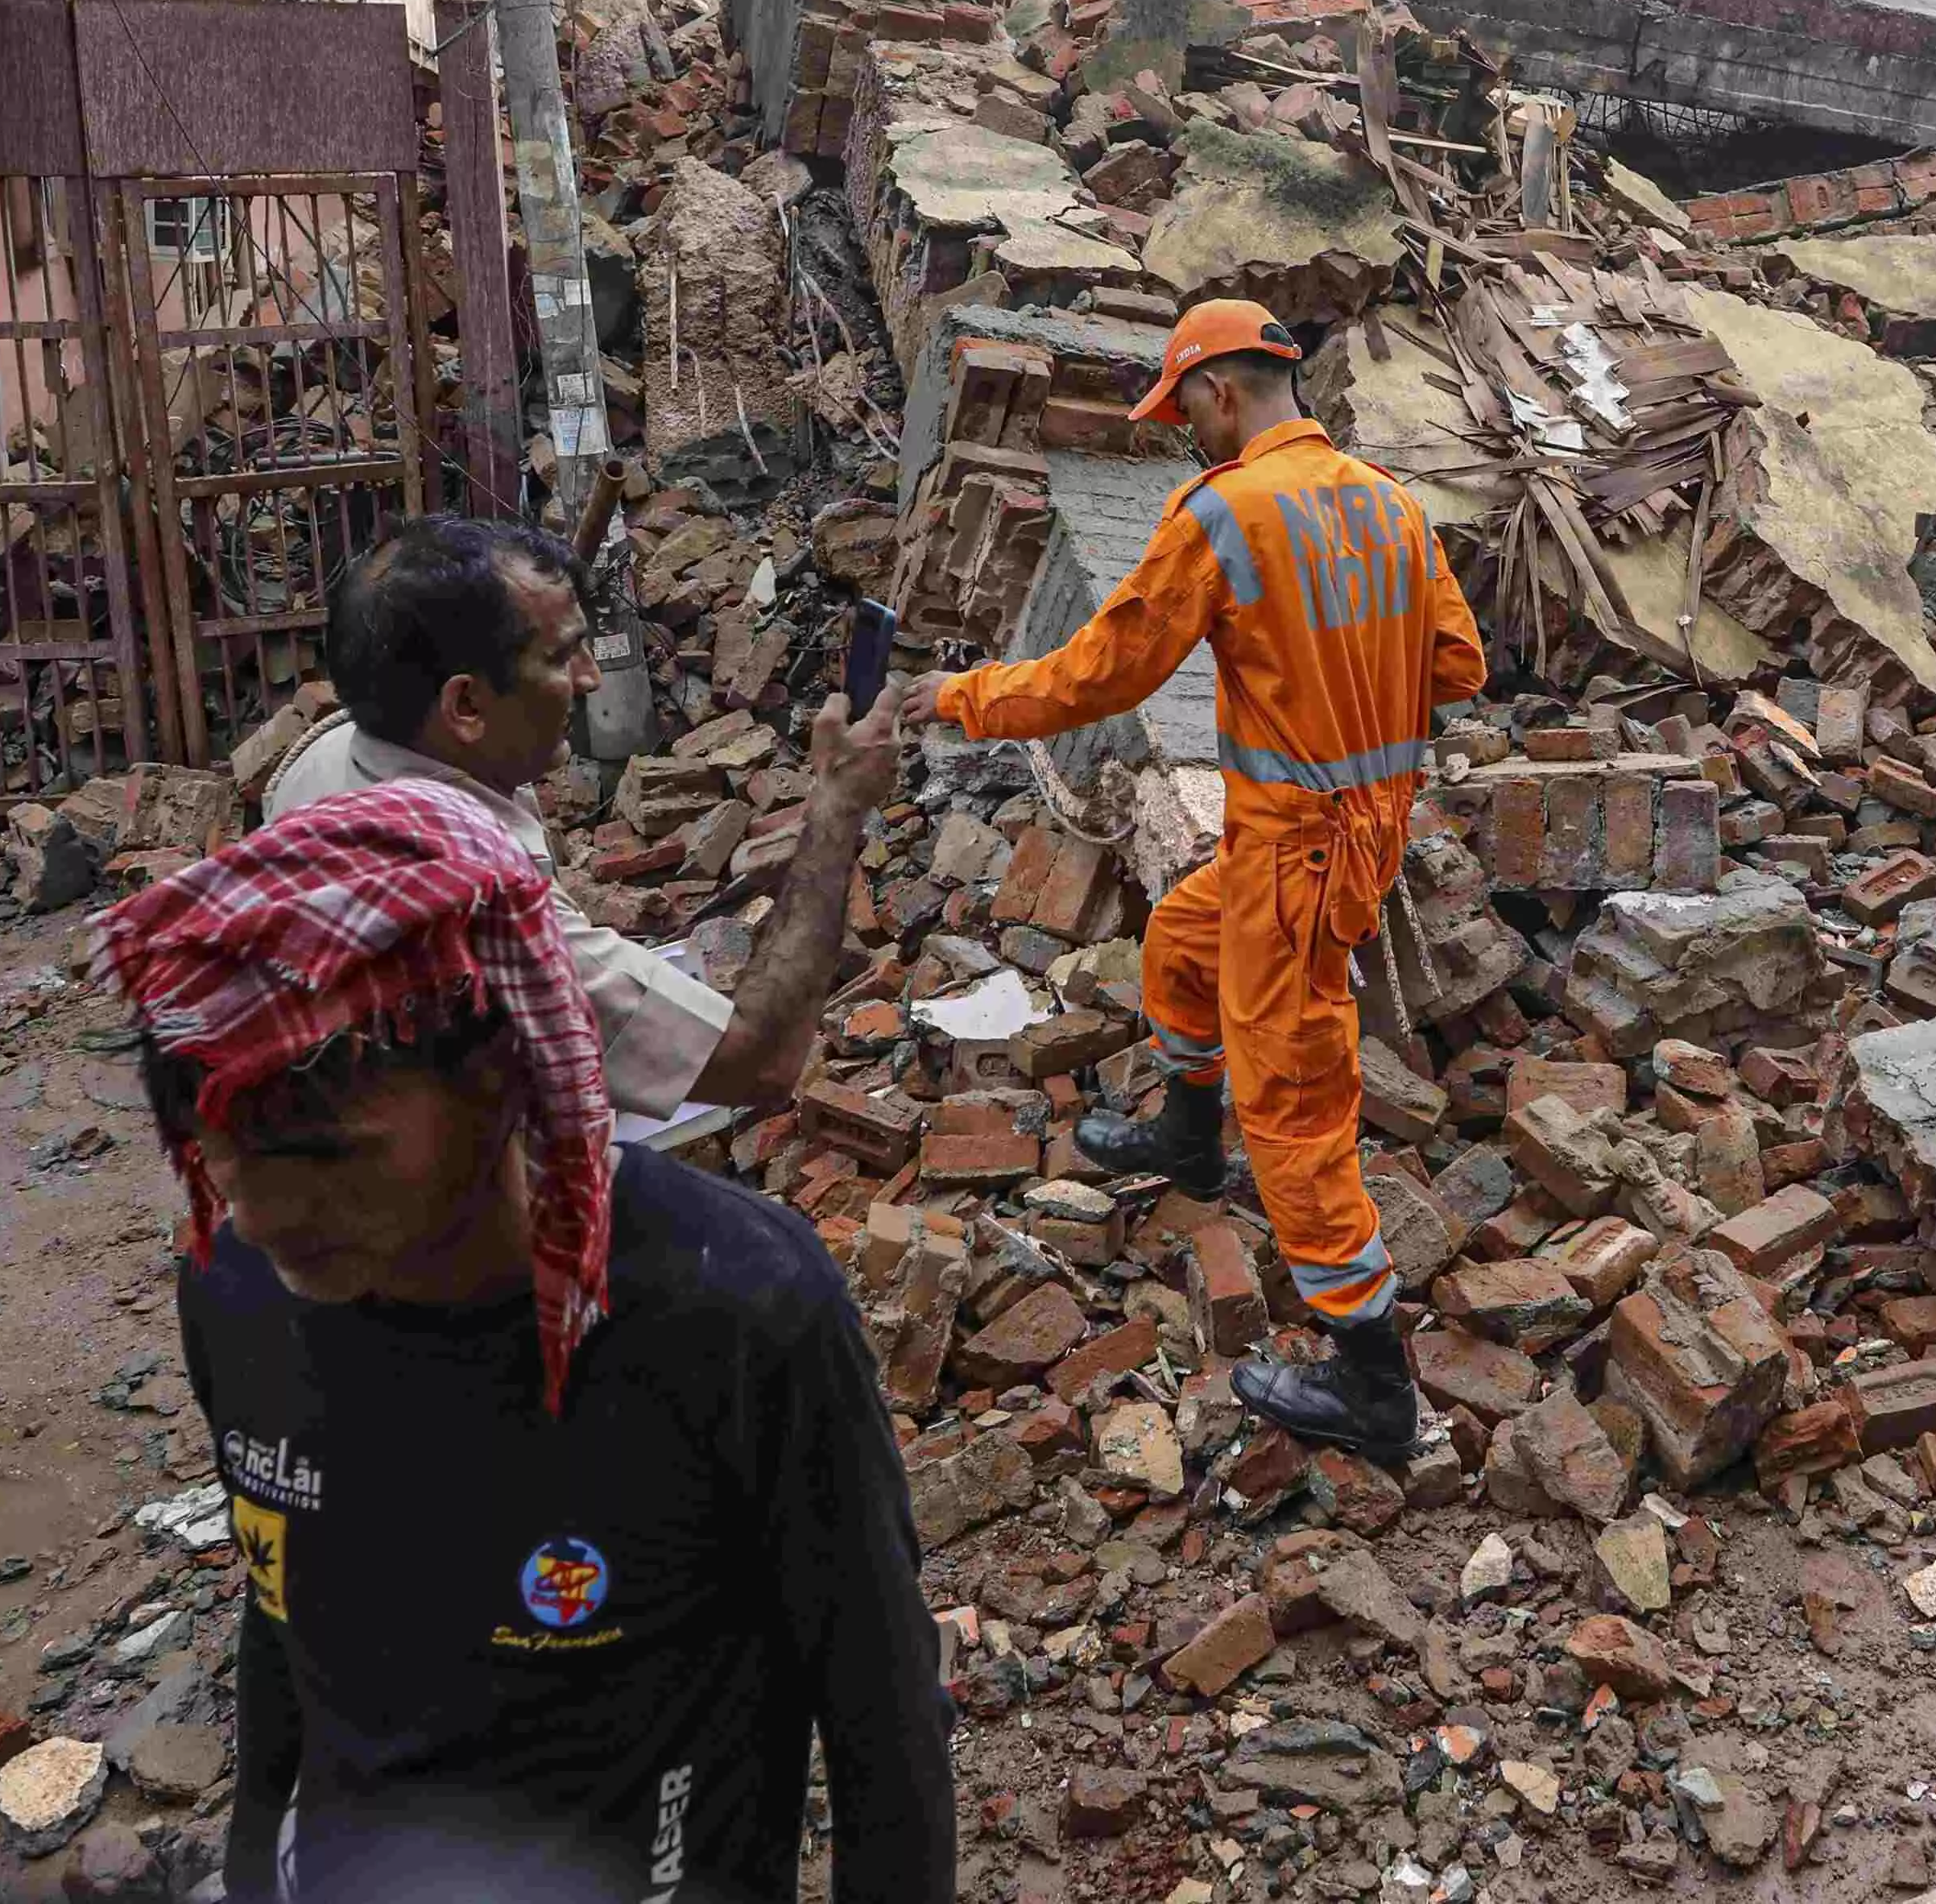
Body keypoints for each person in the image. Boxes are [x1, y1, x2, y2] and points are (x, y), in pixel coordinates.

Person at [98, 780, 953, 1904]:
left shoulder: (737, 1317)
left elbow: (883, 1731)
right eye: (223, 1161)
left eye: (328, 1157)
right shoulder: (234, 1285)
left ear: (502, 1072)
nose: (260, 1213)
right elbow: (285, 1613)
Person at [892, 299, 1485, 1467]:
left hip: (1299, 856)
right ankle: (1184, 1137)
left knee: (1300, 1113)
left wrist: (959, 696)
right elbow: (1455, 662)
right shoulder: (1390, 504)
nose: (1189, 435)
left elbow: (1098, 678)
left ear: (1220, 391)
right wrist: (1346, 688)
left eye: (1186, 412)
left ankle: (1374, 1386)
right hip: (1349, 840)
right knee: (1180, 935)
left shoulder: (1226, 512)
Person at [267, 515, 889, 1122]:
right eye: (563, 656)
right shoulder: (482, 911)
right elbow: (760, 1062)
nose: (590, 678)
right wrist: (836, 806)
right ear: (466, 704)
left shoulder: (331, 754)